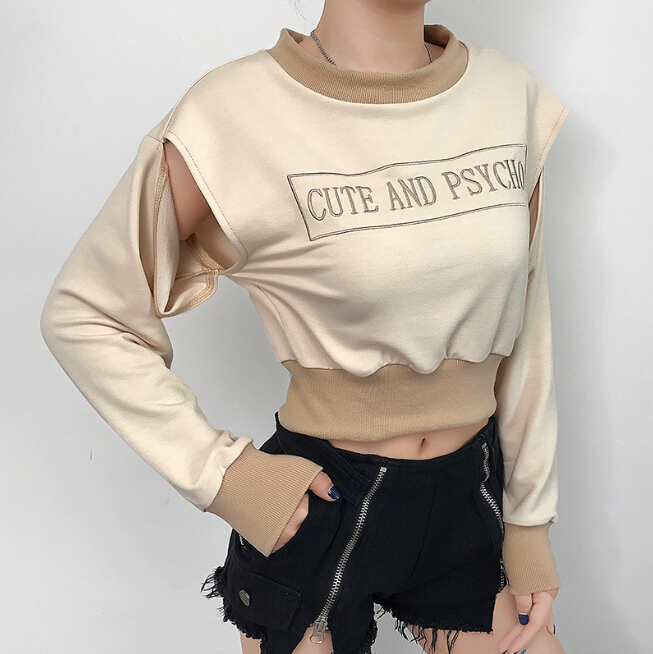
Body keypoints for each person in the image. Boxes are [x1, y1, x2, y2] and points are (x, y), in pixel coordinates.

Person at [40, 1, 569, 653]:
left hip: (467, 502)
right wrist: (224, 476)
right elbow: (85, 309)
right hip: (318, 509)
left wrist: (529, 524)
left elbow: (528, 331)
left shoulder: (507, 96)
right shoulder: (230, 113)